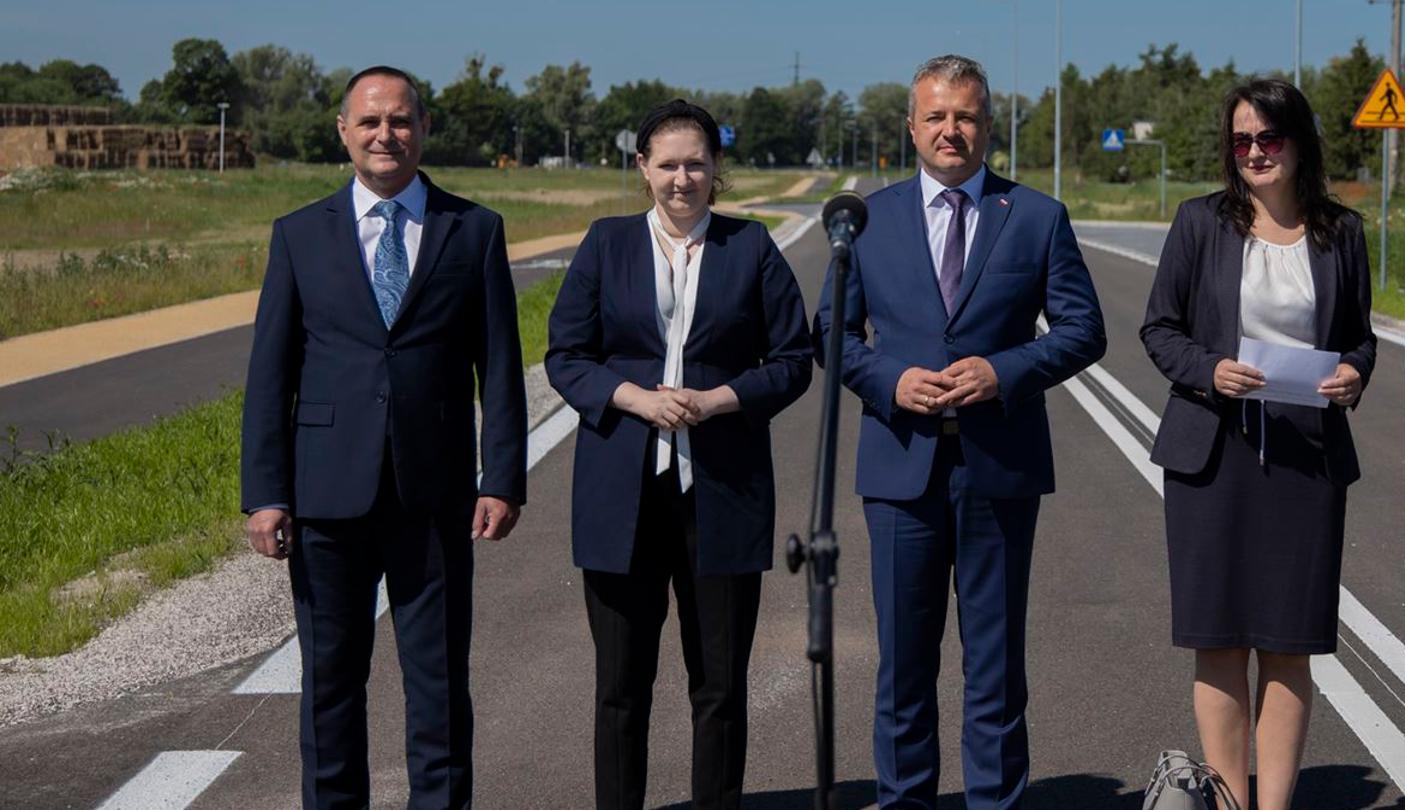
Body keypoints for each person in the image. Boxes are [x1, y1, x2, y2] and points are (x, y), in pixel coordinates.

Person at [815, 54, 1106, 810]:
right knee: (904, 667)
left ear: (988, 127)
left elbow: (1083, 329)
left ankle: (994, 803)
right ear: (911, 127)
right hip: (899, 470)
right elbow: (829, 333)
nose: (952, 130)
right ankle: (905, 800)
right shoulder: (868, 221)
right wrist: (888, 380)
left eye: (967, 116)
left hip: (997, 472)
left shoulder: (1037, 218)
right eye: (937, 116)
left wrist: (1003, 372)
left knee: (996, 666)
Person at [240, 65, 527, 809]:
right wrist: (266, 493)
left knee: (437, 684)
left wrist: (501, 478)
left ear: (423, 130)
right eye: (369, 121)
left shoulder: (476, 231)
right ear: (343, 132)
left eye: (399, 121)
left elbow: (498, 368)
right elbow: (271, 376)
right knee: (330, 685)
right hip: (326, 495)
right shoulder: (299, 235)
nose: (384, 135)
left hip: (433, 497)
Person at [545, 99, 812, 810]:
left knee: (720, 685)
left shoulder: (751, 247)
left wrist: (718, 399)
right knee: (620, 686)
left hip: (722, 490)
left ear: (716, 168)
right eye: (667, 164)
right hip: (619, 493)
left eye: (697, 163)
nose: (683, 178)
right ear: (642, 167)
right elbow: (565, 356)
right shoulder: (605, 245)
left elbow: (793, 359)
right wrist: (635, 397)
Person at [1139, 77, 1375, 810]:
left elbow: (1360, 340)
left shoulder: (1342, 232)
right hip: (1213, 457)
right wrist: (1209, 369)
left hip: (1306, 459)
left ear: (1299, 142)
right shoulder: (1199, 223)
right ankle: (1230, 803)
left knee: (1287, 645)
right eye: (1241, 140)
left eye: (1268, 138)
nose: (1254, 152)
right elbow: (1159, 330)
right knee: (1219, 642)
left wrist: (1352, 374)